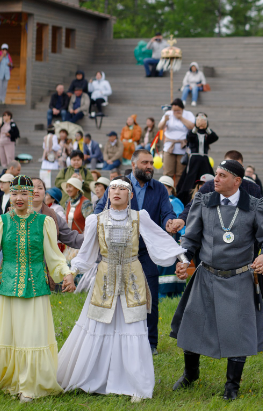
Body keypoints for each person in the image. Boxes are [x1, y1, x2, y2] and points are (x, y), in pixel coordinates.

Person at [57, 176, 185, 402]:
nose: (116, 191)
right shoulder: (95, 220)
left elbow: (160, 239)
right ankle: (91, 378)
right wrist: (71, 272)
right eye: (112, 188)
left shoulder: (139, 217)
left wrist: (182, 258)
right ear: (107, 194)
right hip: (105, 278)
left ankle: (135, 385)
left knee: (133, 326)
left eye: (122, 188)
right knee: (97, 323)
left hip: (132, 277)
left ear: (130, 195)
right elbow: (86, 254)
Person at [0, 176, 75, 403]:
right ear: (9, 196)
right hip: (9, 285)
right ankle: (8, 377)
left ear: (33, 195)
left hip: (36, 286)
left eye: (24, 193)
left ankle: (29, 385)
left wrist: (67, 274)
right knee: (8, 335)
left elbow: (54, 256)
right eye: (15, 194)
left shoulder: (44, 222)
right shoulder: (1, 222)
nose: (19, 198)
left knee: (33, 335)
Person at [170, 159, 263, 400]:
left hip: (238, 277)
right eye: (216, 174)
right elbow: (191, 239)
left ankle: (232, 386)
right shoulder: (204, 202)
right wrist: (185, 260)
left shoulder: (255, 206)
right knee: (193, 326)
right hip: (206, 275)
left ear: (237, 181)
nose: (215, 179)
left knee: (238, 332)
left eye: (221, 175)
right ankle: (190, 374)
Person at [95, 149, 180, 355]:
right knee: (116, 295)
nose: (150, 166)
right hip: (119, 252)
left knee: (149, 295)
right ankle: (115, 337)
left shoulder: (159, 188)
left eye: (151, 162)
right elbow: (99, 210)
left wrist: (169, 221)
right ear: (133, 164)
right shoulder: (118, 185)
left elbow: (166, 211)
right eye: (145, 163)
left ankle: (150, 343)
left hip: (146, 251)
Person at [176, 113, 218, 204]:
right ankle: (187, 197)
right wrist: (196, 126)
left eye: (204, 119)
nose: (202, 120)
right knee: (190, 178)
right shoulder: (193, 133)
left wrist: (206, 128)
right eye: (199, 118)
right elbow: (189, 137)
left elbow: (215, 137)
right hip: (194, 159)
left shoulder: (207, 133)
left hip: (204, 159)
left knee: (208, 176)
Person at [157, 175, 187, 299]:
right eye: (161, 186)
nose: (164, 189)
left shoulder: (175, 202)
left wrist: (183, 238)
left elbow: (182, 222)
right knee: (162, 269)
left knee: (173, 269)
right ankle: (162, 296)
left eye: (167, 186)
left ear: (171, 189)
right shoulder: (156, 201)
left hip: (174, 242)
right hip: (159, 242)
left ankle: (175, 297)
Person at [159, 99, 195, 184]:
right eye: (174, 110)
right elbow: (160, 127)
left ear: (182, 109)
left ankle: (177, 192)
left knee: (180, 173)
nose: (175, 112)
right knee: (168, 172)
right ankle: (167, 191)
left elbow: (192, 126)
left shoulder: (188, 114)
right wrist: (165, 120)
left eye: (178, 110)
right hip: (169, 146)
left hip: (182, 147)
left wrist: (181, 118)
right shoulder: (168, 114)